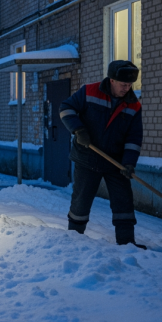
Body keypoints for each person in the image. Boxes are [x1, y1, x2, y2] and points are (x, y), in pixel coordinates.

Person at [58, 60, 145, 249]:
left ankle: (127, 243)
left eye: (130, 85)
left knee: (124, 203)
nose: (126, 88)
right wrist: (79, 130)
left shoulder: (133, 106)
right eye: (123, 84)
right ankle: (73, 240)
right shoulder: (89, 91)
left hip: (116, 162)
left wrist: (129, 163)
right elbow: (65, 108)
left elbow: (134, 138)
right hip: (87, 157)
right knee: (81, 201)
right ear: (112, 80)